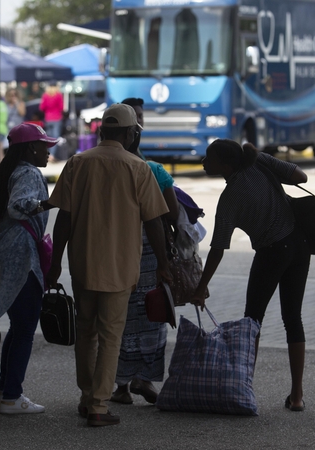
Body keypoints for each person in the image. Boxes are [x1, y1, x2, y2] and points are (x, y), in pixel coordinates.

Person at [46, 103, 172, 427]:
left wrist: (56, 260)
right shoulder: (138, 168)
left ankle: (87, 398)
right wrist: (163, 263)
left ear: (102, 130)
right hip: (119, 267)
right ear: (131, 134)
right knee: (110, 336)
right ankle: (99, 406)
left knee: (86, 333)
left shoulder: (77, 163)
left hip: (83, 264)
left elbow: (65, 217)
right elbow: (155, 222)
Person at [190, 139, 310, 412]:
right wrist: (267, 159)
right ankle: (297, 396)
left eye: (209, 158)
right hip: (299, 245)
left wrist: (200, 288)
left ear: (226, 165)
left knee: (252, 321)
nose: (203, 162)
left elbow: (218, 249)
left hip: (271, 253)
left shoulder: (230, 197)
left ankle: (244, 390)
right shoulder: (259, 162)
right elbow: (301, 176)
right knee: (293, 318)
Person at [0, 123, 57, 415]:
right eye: (43, 145)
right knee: (25, 328)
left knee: (18, 325)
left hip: (1, 255)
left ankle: (4, 392)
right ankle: (13, 396)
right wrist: (49, 203)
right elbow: (19, 206)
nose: (48, 151)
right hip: (21, 259)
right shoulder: (28, 172)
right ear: (29, 149)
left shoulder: (6, 173)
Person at [110, 98, 179, 405]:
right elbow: (169, 214)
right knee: (142, 317)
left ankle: (127, 383)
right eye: (135, 120)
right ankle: (134, 381)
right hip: (146, 255)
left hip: (116, 254)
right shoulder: (150, 170)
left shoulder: (93, 163)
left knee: (129, 317)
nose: (139, 126)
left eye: (141, 118)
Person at [39, 84, 64, 160]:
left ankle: (47, 153)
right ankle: (52, 155)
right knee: (55, 137)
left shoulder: (45, 95)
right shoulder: (58, 95)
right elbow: (61, 107)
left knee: (48, 137)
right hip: (57, 118)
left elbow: (42, 107)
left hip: (48, 118)